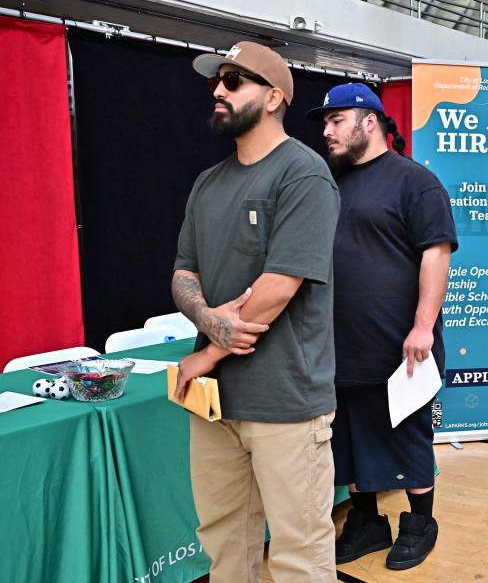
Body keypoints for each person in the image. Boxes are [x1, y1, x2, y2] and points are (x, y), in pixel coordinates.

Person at [171, 41, 340, 581]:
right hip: (217, 407)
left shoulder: (303, 174)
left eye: (234, 80)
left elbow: (278, 287)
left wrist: (207, 355)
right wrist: (210, 318)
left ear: (273, 97)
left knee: (299, 552)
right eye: (217, 81)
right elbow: (182, 274)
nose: (218, 90)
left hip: (286, 400)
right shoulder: (207, 182)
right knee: (223, 539)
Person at [305, 83, 458, 570]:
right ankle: (368, 522)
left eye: (335, 121)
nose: (326, 131)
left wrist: (423, 327)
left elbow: (435, 253)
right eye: (324, 123)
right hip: (339, 345)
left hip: (400, 345)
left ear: (368, 121)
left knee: (407, 436)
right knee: (346, 438)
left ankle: (419, 524)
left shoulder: (415, 181)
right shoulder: (329, 181)